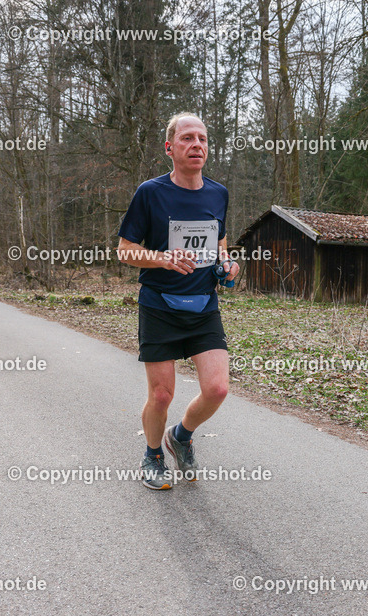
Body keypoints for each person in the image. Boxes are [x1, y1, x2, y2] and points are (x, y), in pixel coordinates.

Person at [116, 112, 238, 491]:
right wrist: (161, 258)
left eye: (201, 138)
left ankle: (181, 437)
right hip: (159, 305)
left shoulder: (218, 194)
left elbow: (219, 245)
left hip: (203, 305)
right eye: (187, 138)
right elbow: (124, 251)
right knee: (162, 393)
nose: (196, 145)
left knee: (218, 389)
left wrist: (228, 265)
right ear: (170, 148)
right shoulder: (150, 193)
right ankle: (152, 454)